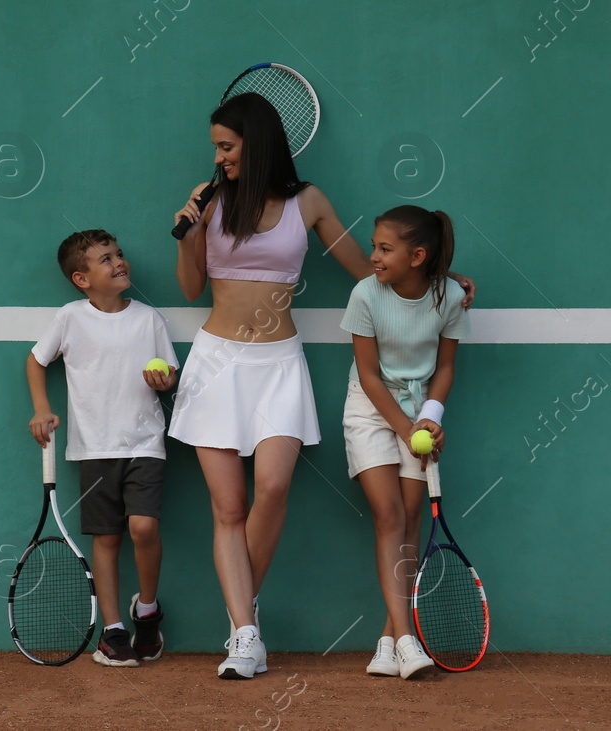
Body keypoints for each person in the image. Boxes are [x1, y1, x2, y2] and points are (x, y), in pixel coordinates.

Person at [168, 93, 476, 680]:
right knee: (228, 506)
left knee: (274, 490)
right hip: (216, 364)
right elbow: (189, 288)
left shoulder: (306, 202)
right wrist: (188, 232)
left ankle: (241, 615)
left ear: (254, 145)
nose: (218, 156)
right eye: (216, 147)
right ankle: (246, 634)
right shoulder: (211, 202)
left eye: (226, 146)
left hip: (279, 362)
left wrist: (437, 277)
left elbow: (370, 271)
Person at [27, 229, 178, 667]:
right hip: (94, 448)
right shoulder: (70, 318)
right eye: (105, 259)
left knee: (144, 529)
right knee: (107, 538)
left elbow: (169, 372)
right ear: (82, 278)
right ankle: (113, 631)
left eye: (119, 254)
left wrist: (163, 381)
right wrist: (42, 408)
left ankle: (146, 611)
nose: (119, 262)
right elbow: (36, 360)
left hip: (146, 442)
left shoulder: (149, 318)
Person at [341, 205, 468, 680]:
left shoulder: (450, 296)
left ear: (418, 256)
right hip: (369, 411)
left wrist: (430, 420)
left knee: (413, 518)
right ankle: (409, 636)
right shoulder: (364, 294)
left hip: (418, 414)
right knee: (389, 515)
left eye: (384, 248)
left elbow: (446, 368)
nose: (372, 255)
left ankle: (389, 639)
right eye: (374, 245)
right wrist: (406, 429)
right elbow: (371, 377)